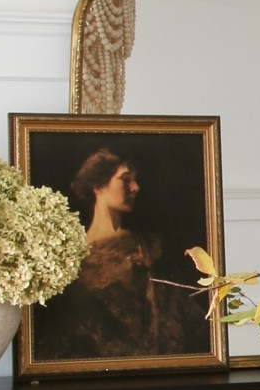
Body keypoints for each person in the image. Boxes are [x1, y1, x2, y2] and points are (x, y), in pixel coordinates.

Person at [35, 147, 203, 362]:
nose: (135, 187)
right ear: (98, 186)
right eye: (125, 179)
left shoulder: (150, 244)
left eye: (135, 179)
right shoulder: (74, 256)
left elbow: (179, 307)